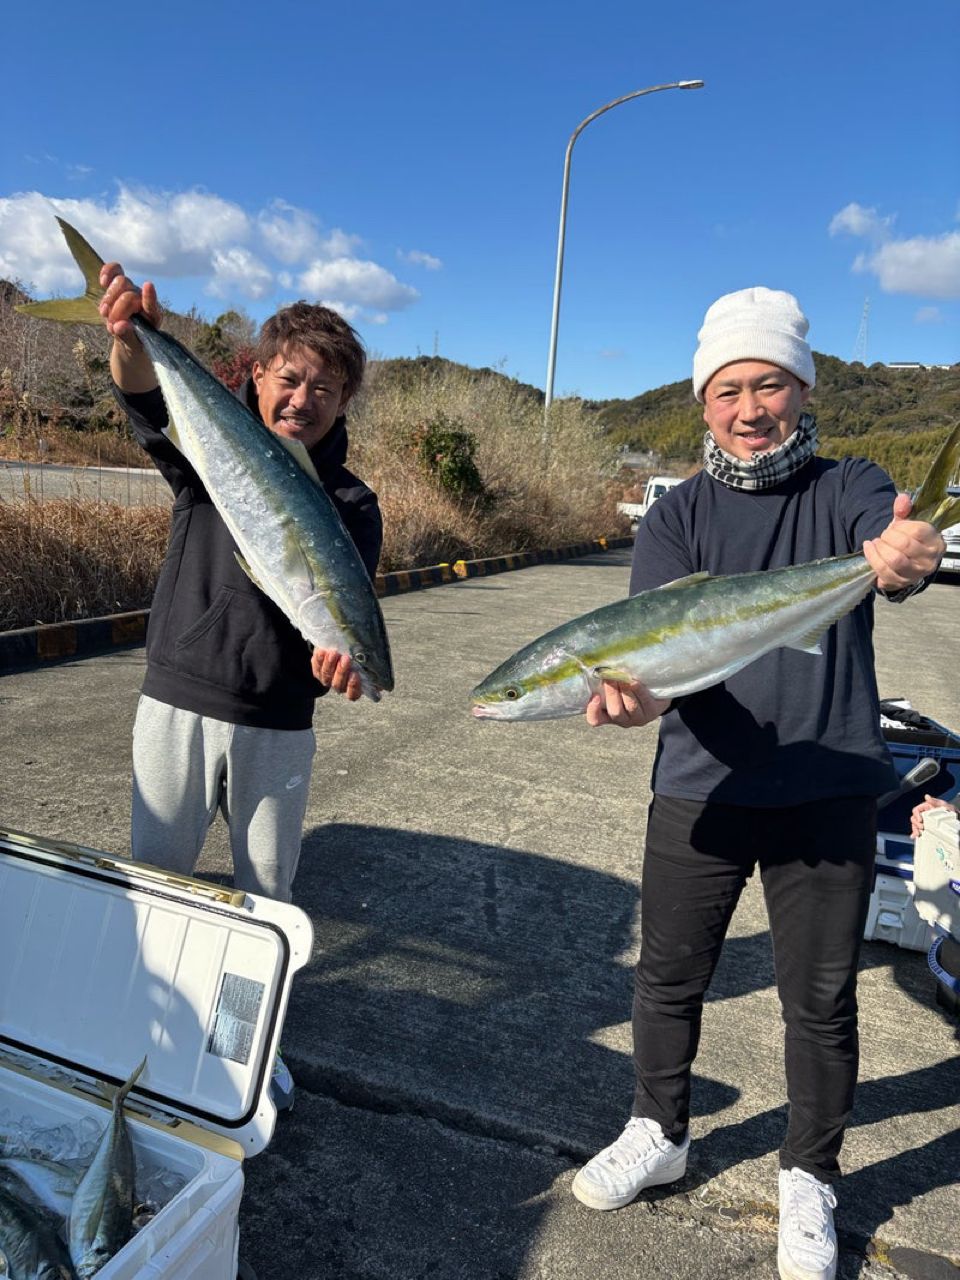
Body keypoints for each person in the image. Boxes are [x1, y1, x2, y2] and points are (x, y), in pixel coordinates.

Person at [571, 287, 944, 1280]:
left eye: (767, 383)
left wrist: (909, 551)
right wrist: (637, 700)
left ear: (804, 387)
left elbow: (897, 547)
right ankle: (661, 1128)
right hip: (700, 784)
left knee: (819, 1000)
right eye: (728, 388)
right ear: (703, 403)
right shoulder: (677, 514)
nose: (749, 407)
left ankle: (811, 1175)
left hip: (828, 785)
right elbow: (649, 657)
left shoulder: (849, 486)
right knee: (667, 975)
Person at [98, 264, 383, 1107]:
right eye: (289, 377)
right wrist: (127, 339)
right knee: (157, 883)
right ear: (255, 376)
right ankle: (139, 1034)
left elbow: (338, 622)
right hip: (177, 701)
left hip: (278, 724)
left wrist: (341, 665)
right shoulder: (205, 454)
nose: (303, 397)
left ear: (343, 402)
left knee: (267, 900)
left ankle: (248, 1049)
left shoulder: (352, 503)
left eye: (324, 388)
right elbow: (145, 397)